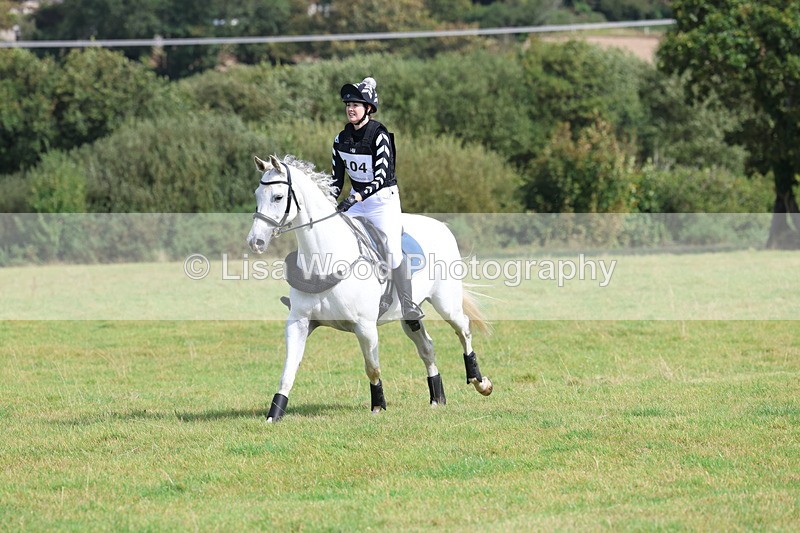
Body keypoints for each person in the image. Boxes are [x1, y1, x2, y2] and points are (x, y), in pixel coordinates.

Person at [332, 77, 424, 331]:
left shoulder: (379, 135)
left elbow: (382, 176)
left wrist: (358, 196)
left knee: (392, 249)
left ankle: (408, 305)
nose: (351, 108)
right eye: (348, 104)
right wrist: (329, 201)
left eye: (357, 104)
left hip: (382, 201)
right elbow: (336, 180)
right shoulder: (340, 140)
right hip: (356, 202)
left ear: (368, 109)